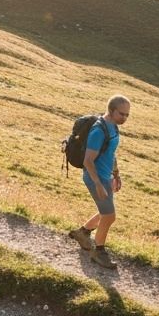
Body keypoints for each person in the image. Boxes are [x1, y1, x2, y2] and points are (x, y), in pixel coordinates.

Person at [67, 95, 131, 270]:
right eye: (121, 114)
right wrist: (98, 184)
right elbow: (88, 160)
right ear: (111, 110)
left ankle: (83, 232)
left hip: (105, 176)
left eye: (127, 115)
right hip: (95, 177)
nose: (124, 118)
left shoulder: (113, 127)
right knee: (109, 216)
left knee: (106, 212)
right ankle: (99, 252)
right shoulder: (99, 130)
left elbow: (111, 153)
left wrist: (116, 174)